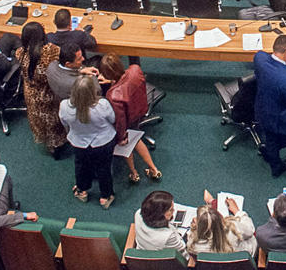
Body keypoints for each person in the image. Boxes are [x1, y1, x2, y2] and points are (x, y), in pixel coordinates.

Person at [99, 53, 162, 183]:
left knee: (128, 143)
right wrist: (112, 81)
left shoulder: (113, 95)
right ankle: (154, 169)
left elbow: (121, 120)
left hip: (129, 119)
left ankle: (134, 173)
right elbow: (125, 82)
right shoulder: (135, 69)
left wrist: (121, 137)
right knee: (137, 140)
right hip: (141, 109)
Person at [60, 75, 117, 209]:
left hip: (79, 143)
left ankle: (82, 190)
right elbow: (113, 119)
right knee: (104, 168)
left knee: (81, 165)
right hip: (103, 143)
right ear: (93, 91)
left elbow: (64, 123)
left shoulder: (64, 106)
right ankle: (106, 196)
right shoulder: (102, 105)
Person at [254, 35, 286, 177]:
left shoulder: (259, 58)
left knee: (270, 138)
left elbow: (266, 57)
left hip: (261, 108)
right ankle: (275, 165)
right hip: (277, 117)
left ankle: (269, 150)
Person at [16, 22, 67, 158]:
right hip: (48, 94)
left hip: (31, 93)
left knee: (40, 120)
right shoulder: (51, 51)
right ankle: (58, 145)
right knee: (54, 121)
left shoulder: (20, 52)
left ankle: (50, 145)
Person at [187, 198, 257, 256]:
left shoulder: (193, 243)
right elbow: (250, 229)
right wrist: (237, 211)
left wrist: (195, 227)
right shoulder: (234, 229)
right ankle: (213, 201)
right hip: (242, 258)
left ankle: (212, 201)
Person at [134, 190, 190, 257]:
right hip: (164, 261)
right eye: (170, 209)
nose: (174, 210)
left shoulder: (138, 214)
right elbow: (181, 247)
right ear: (160, 214)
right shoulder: (168, 236)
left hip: (143, 249)